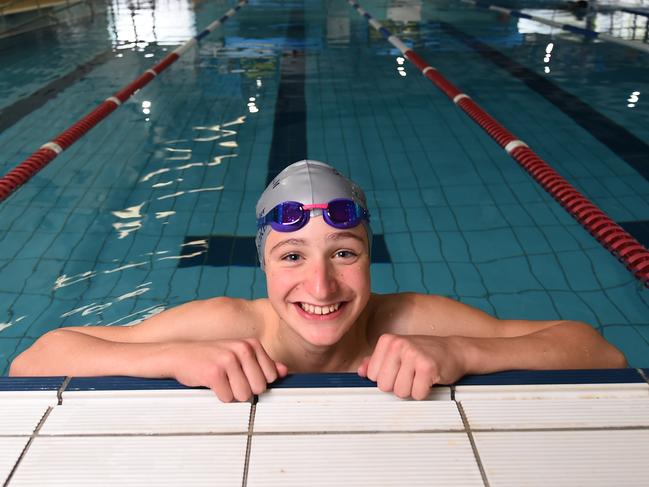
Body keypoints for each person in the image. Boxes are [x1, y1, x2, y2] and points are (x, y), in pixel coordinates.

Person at [9, 160, 627, 401]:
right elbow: (34, 360)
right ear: (263, 265)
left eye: (344, 253)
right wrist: (176, 358)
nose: (322, 287)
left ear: (370, 256)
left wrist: (461, 352)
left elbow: (600, 351)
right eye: (292, 257)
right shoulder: (228, 323)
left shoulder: (410, 319)